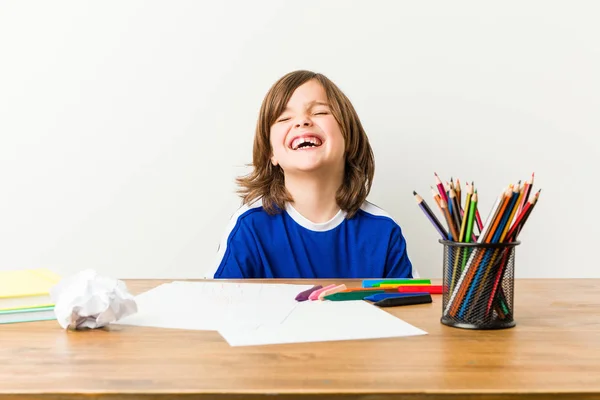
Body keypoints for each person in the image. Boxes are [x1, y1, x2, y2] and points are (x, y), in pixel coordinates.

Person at [206, 70, 417, 279]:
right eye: (284, 118)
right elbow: (216, 308)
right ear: (271, 153)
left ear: (349, 138)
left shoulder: (383, 230)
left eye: (319, 113)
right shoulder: (248, 227)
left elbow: (412, 310)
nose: (302, 122)